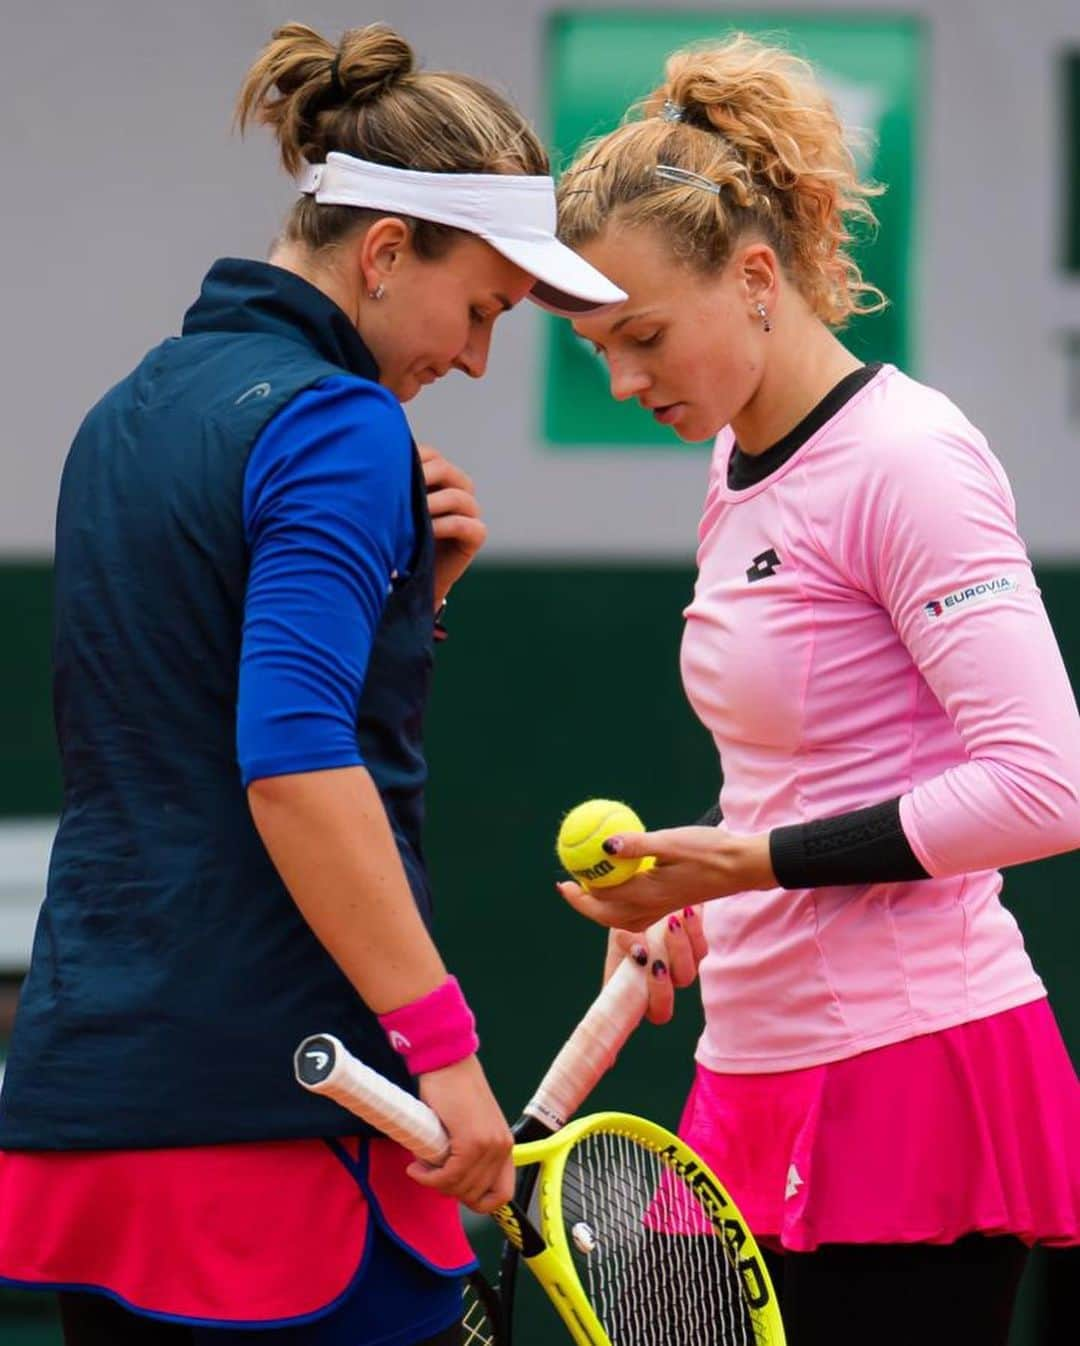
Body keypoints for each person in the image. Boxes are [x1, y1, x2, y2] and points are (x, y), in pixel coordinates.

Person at [0, 21, 626, 1346]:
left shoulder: (128, 411)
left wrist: (415, 600)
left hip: (94, 1112)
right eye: (480, 311)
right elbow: (290, 762)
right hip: (278, 1134)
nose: (472, 360)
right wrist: (446, 1050)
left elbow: (183, 709)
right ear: (386, 252)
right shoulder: (342, 428)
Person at [553, 33, 1080, 1346]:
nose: (624, 380)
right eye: (597, 348)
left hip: (911, 1075)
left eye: (644, 335)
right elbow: (802, 770)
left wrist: (749, 866)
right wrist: (695, 914)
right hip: (752, 1065)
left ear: (755, 276)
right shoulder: (732, 472)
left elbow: (1046, 786)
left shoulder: (910, 459)